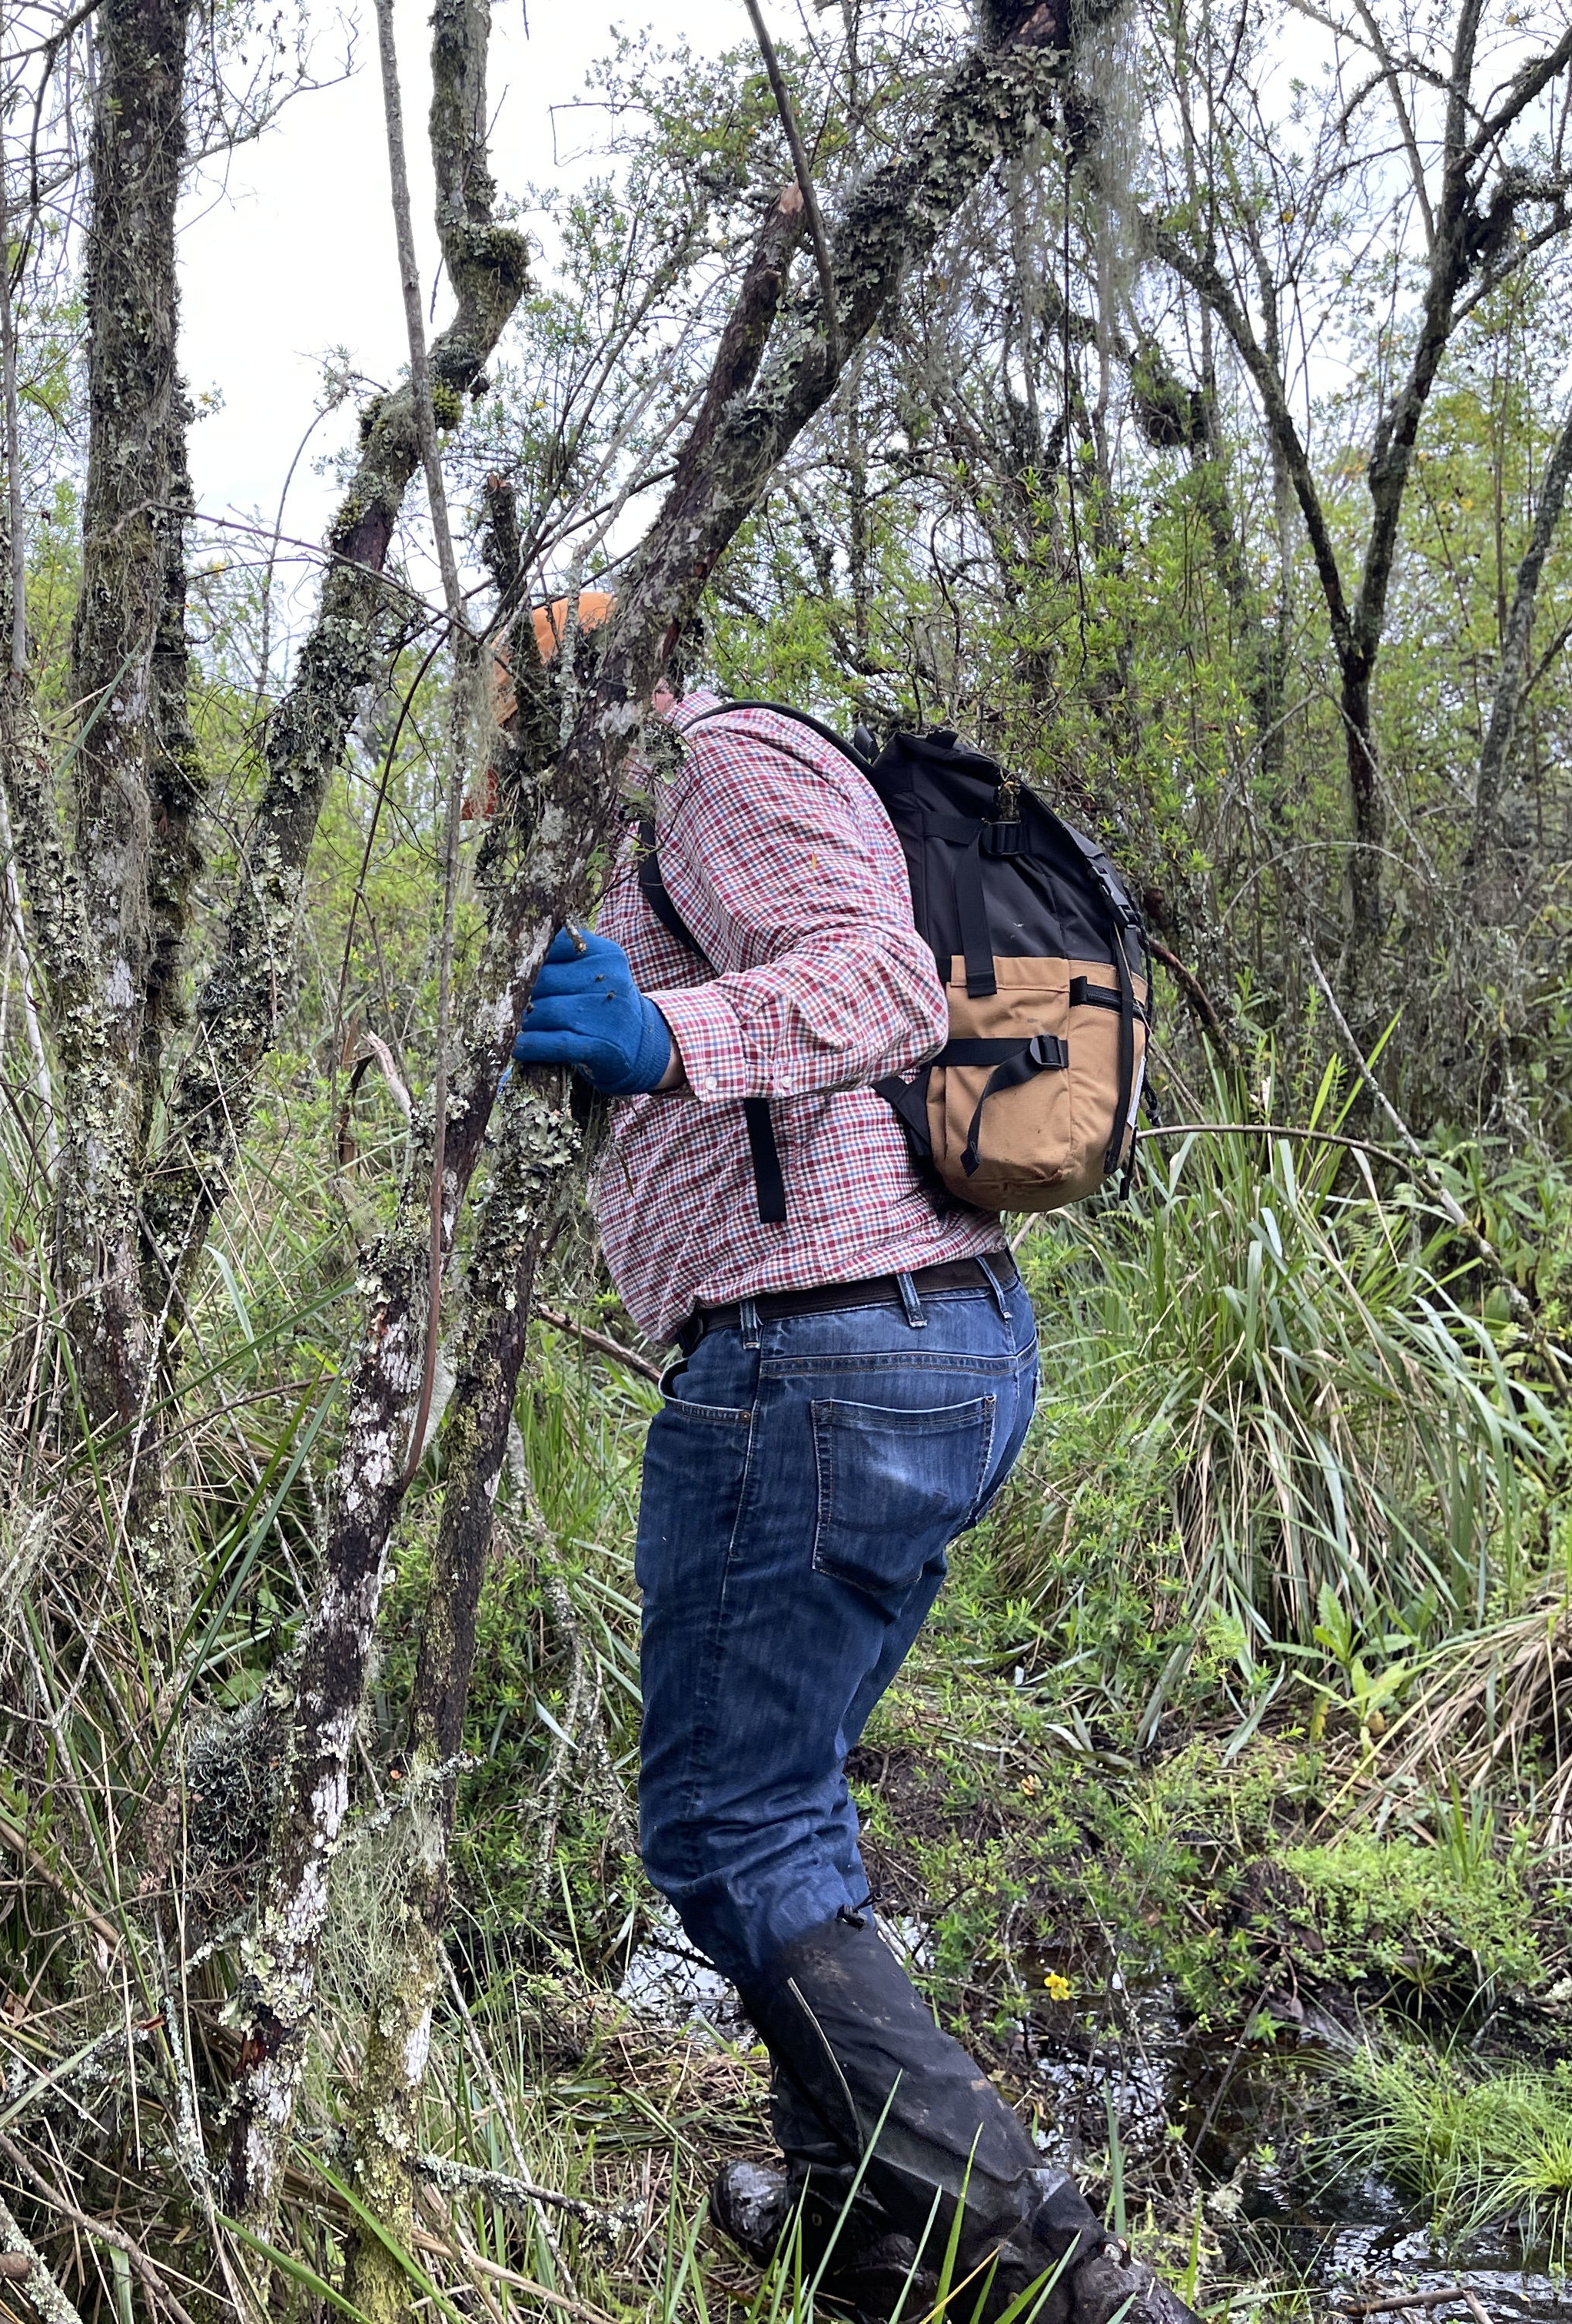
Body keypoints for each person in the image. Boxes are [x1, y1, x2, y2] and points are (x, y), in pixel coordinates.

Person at [509, 600, 1188, 2324]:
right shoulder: (624, 829)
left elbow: (883, 982)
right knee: (785, 1798)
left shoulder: (711, 761)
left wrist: (670, 1039)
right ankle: (862, 2232)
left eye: (520, 700)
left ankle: (1055, 2266)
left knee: (728, 1834)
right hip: (887, 1346)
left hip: (820, 1351)